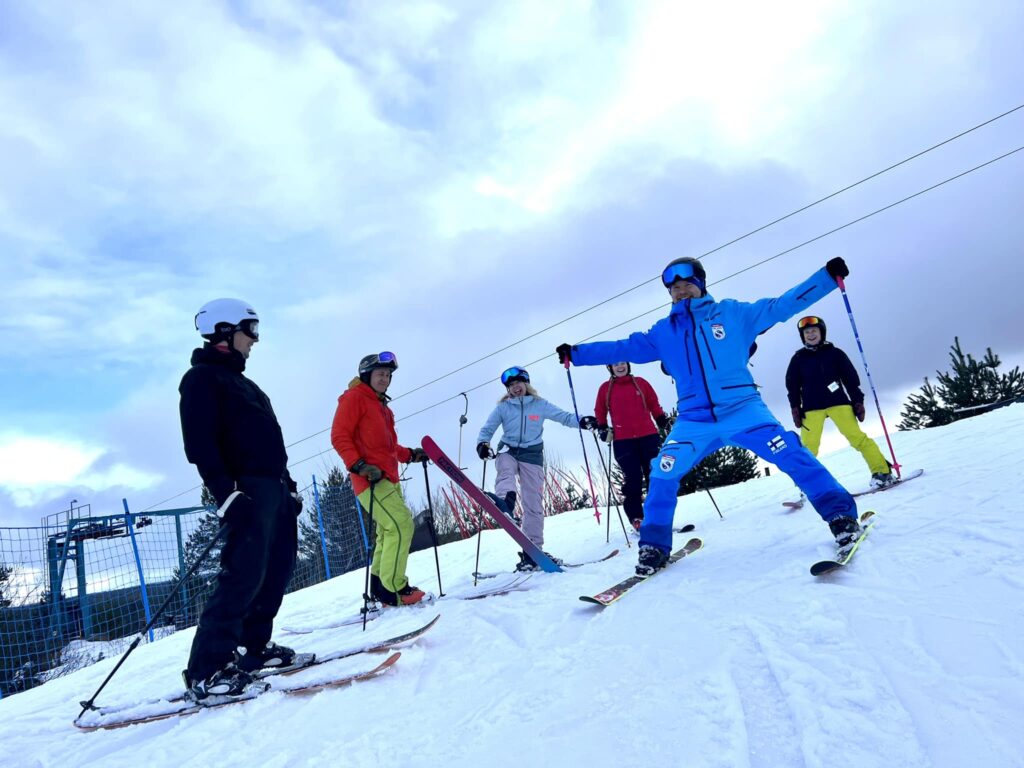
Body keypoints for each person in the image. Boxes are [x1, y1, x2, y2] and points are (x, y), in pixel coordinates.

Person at [557, 257, 861, 577]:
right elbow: (623, 347)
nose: (681, 291)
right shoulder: (664, 332)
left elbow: (782, 305)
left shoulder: (732, 314)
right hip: (694, 420)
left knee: (790, 452)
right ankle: (654, 547)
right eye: (674, 288)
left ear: (701, 284)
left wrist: (827, 278)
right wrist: (576, 355)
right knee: (663, 471)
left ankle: (841, 518)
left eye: (687, 284)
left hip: (744, 409)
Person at [179, 298, 305, 702]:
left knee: (274, 572)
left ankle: (255, 650)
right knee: (242, 575)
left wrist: (287, 484)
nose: (255, 340)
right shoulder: (201, 379)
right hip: (244, 489)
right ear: (223, 330)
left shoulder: (248, 386)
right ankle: (207, 670)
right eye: (250, 330)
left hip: (273, 489)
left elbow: (269, 443)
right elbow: (200, 442)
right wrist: (225, 491)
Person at [476, 366, 598, 571]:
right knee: (505, 469)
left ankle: (532, 551)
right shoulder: (503, 408)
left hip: (532, 456)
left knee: (533, 504)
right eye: (511, 385)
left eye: (518, 383)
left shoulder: (540, 405)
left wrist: (582, 421)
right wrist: (483, 445)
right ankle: (505, 502)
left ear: (526, 384)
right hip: (508, 449)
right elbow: (487, 429)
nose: (515, 388)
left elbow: (564, 417)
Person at [331, 352, 429, 607]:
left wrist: (410, 455)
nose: (385, 379)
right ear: (367, 375)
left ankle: (378, 586)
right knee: (401, 525)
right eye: (380, 374)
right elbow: (340, 436)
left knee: (388, 532)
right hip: (369, 480)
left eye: (388, 375)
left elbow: (389, 447)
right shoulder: (354, 398)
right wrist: (359, 465)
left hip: (388, 478)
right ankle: (394, 589)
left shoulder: (382, 407)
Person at [786, 316, 893, 488]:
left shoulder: (835, 354)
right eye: (807, 332)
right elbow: (792, 386)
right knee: (807, 448)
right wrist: (795, 408)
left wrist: (857, 401)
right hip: (811, 407)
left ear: (822, 332)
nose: (811, 334)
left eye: (814, 330)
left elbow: (851, 379)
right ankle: (808, 485)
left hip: (838, 402)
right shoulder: (798, 358)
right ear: (802, 336)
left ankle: (882, 472)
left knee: (857, 438)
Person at [594, 362, 671, 531]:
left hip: (648, 437)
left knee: (655, 476)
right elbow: (600, 410)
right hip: (623, 441)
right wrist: (602, 427)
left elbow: (653, 404)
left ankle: (657, 516)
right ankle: (637, 518)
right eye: (615, 364)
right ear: (610, 368)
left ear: (628, 365)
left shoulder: (641, 383)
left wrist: (660, 419)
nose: (620, 367)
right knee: (633, 478)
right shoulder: (606, 388)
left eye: (622, 363)